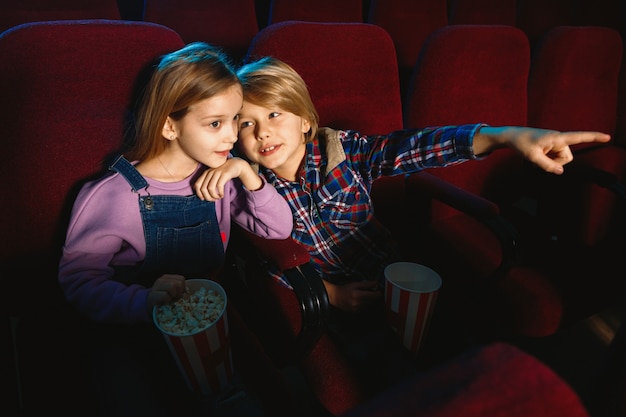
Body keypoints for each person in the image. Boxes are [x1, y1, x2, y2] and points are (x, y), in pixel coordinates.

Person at [194, 56, 612, 395]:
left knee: (455, 356)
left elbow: (418, 148)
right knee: (381, 375)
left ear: (306, 121)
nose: (263, 132)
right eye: (247, 124)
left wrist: (505, 136)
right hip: (329, 301)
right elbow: (264, 259)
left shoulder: (348, 151)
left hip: (391, 274)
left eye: (274, 114)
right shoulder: (250, 186)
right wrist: (331, 294)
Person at [58, 43, 293, 417]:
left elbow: (279, 229)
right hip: (130, 324)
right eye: (215, 123)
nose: (232, 136)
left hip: (203, 319)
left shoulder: (223, 173)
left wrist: (250, 176)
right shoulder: (112, 196)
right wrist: (142, 302)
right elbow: (78, 281)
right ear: (170, 125)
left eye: (235, 119)